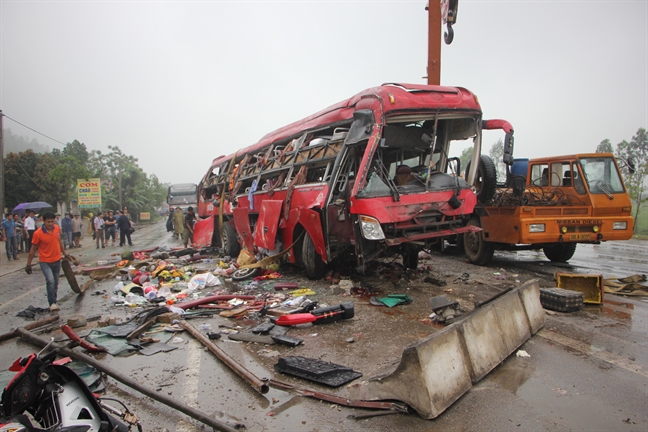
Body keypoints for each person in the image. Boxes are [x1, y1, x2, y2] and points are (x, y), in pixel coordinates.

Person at [25, 211, 70, 312]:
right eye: (48, 222)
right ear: (43, 221)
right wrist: (28, 264)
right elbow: (33, 248)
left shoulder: (57, 229)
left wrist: (64, 253)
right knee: (50, 281)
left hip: (57, 260)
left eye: (52, 222)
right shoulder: (38, 234)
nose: (50, 224)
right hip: (45, 261)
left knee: (56, 282)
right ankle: (52, 303)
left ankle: (54, 300)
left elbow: (59, 241)